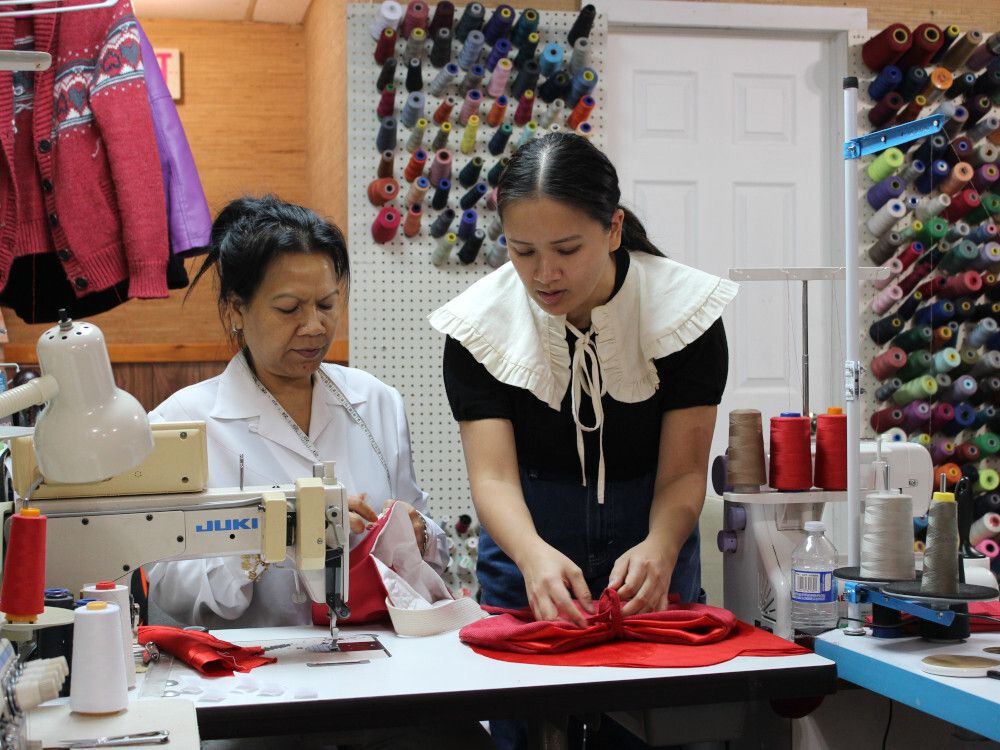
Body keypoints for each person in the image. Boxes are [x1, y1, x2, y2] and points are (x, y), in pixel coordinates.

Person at [430, 134, 736, 748]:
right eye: (523, 252)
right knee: (525, 730)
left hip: (652, 544)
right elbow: (492, 477)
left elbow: (681, 474)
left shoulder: (686, 315)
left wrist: (661, 546)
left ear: (614, 227)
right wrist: (532, 556)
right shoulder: (477, 329)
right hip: (528, 550)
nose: (545, 274)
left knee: (657, 729)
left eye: (567, 249)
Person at [147, 195, 450, 630]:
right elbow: (170, 589)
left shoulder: (377, 402)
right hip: (249, 677)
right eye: (289, 309)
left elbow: (425, 541)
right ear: (236, 308)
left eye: (327, 305)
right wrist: (278, 535)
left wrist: (418, 535)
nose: (314, 326)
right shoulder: (180, 425)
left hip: (378, 662)